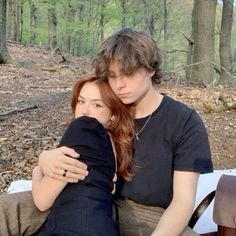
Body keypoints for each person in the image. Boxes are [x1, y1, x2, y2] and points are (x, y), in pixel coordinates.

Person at [0, 28, 213, 236]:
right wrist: (45, 159)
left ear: (151, 69)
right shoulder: (102, 107)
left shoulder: (184, 121)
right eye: (112, 75)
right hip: (85, 200)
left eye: (128, 74)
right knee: (7, 209)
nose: (119, 84)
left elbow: (183, 201)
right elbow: (74, 150)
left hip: (147, 215)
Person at [32, 74, 134, 236]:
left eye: (97, 105)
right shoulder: (113, 146)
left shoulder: (82, 128)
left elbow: (42, 201)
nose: (84, 110)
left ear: (113, 115)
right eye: (81, 101)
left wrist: (37, 170)